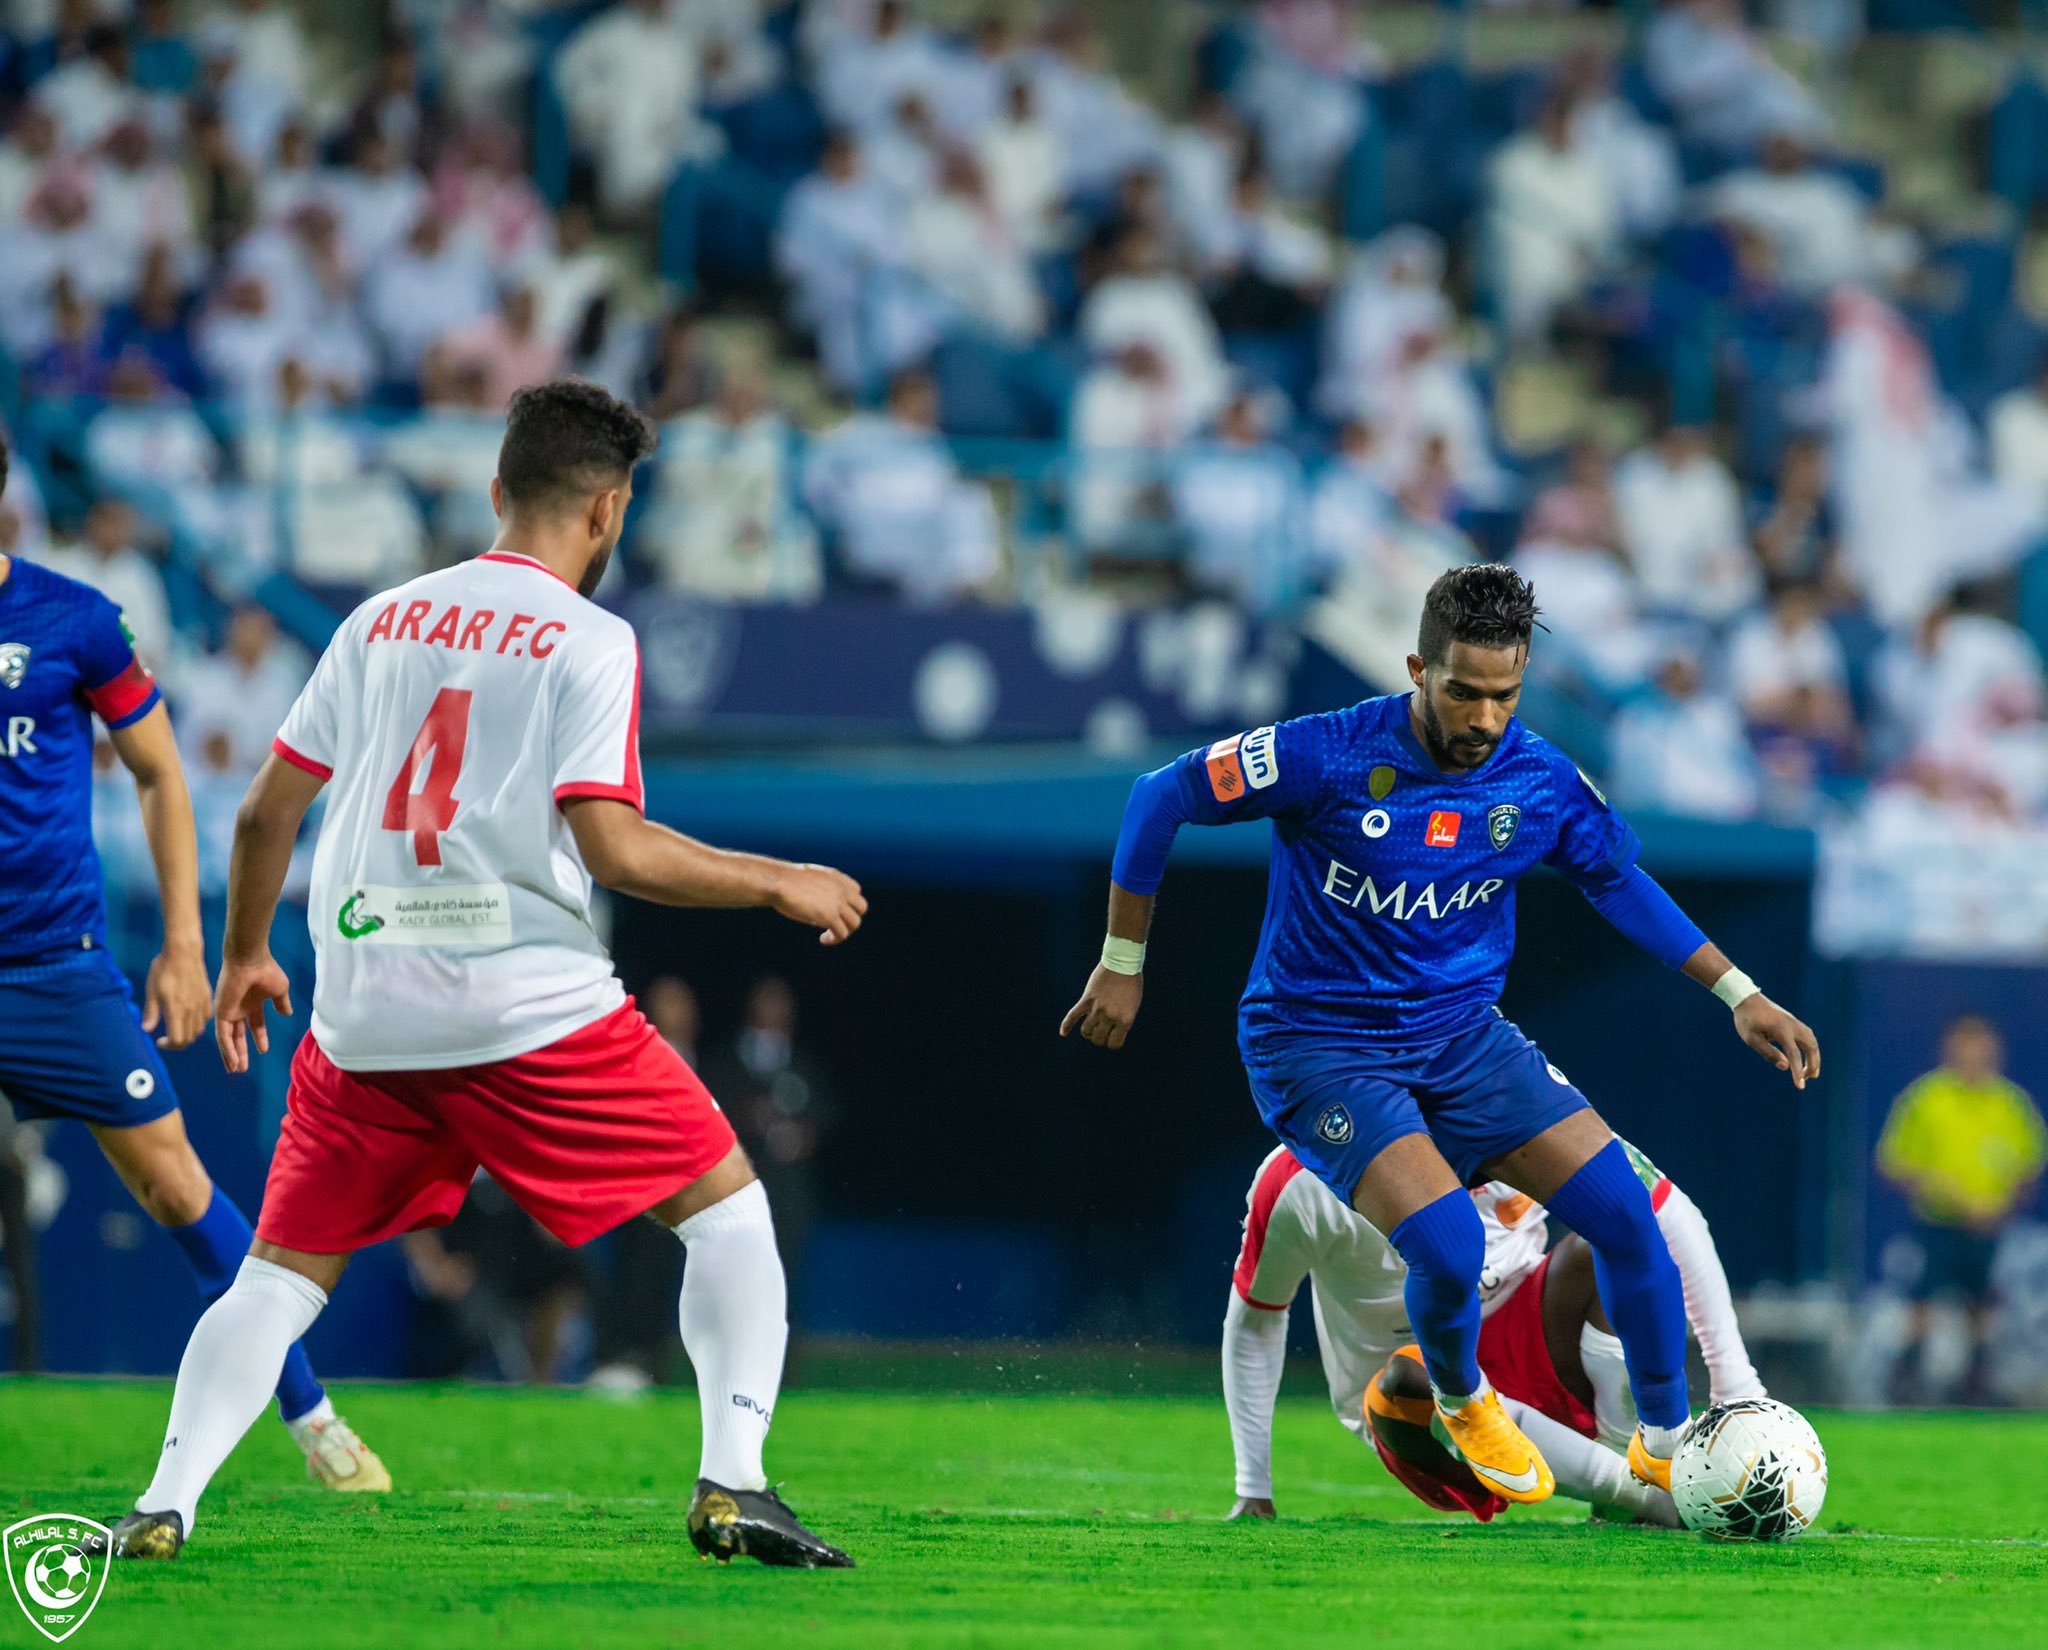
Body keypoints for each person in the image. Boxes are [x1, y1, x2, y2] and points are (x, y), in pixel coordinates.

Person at [109, 380, 866, 1568]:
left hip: (363, 1010)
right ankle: (734, 1484)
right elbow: (613, 845)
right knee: (728, 1216)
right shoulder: (589, 635)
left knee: (276, 1279)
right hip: (527, 1007)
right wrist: (774, 879)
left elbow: (265, 813)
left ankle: (164, 1500)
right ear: (608, 512)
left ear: (497, 489)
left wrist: (250, 951)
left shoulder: (379, 619)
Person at [1063, 562, 1818, 1505]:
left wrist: (1738, 990)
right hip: (1320, 1046)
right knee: (1452, 1246)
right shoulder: (1324, 753)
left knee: (1628, 1217)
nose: (1485, 718)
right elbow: (1158, 796)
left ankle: (1669, 1449)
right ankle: (1463, 1399)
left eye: (1505, 695)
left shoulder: (1538, 778)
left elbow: (1616, 878)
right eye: (1464, 692)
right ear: (1418, 667)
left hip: (1460, 1039)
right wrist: (1121, 964)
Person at [0, 434, 385, 1491]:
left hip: (50, 966)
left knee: (175, 1187)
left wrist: (181, 943)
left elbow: (162, 775)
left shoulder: (74, 619)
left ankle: (314, 1421)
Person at [1223, 1137, 1764, 1522]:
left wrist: (1738, 1388)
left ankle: (1646, 1463)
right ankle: (1645, 1499)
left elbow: (1670, 1212)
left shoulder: (1519, 1101)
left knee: (1611, 1237)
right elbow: (1256, 1317)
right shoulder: (1300, 1179)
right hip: (1416, 1406)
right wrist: (1254, 1486)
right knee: (1408, 1375)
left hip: (1530, 1330)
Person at [1877, 1015, 2046, 1403]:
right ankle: (1907, 1381)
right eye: (1965, 1044)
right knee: (1922, 1300)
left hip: (1987, 1227)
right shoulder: (1926, 1099)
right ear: (1949, 1048)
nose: (1973, 1054)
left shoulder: (2010, 1103)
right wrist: (1940, 1190)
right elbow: (1894, 1162)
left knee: (1982, 1305)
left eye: (1981, 1045)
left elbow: (2030, 1164)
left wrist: (2002, 1207)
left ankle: (1977, 1383)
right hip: (1936, 1222)